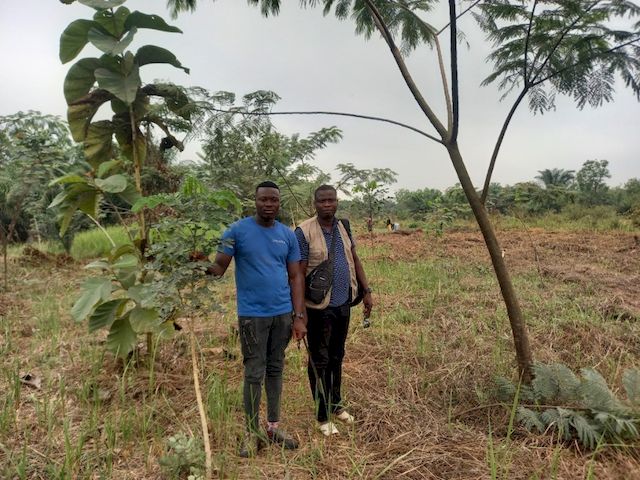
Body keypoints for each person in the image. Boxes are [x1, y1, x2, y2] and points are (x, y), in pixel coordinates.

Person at [204, 181, 307, 457]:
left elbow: (296, 276)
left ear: (279, 202)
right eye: (264, 199)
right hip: (252, 316)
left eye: (274, 200)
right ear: (255, 200)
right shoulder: (236, 231)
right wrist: (195, 260)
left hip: (283, 314)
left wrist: (299, 317)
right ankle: (252, 432)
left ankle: (273, 428)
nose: (269, 204)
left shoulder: (287, 235)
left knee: (276, 369)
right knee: (253, 373)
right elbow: (219, 267)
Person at [295, 185, 373, 436]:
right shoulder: (304, 231)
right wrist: (298, 313)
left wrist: (366, 290)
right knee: (319, 360)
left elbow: (355, 259)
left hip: (343, 303)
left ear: (337, 202)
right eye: (322, 201)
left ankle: (336, 404)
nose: (327, 205)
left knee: (337, 355)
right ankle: (321, 415)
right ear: (315, 203)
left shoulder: (344, 226)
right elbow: (297, 272)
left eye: (331, 200)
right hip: (317, 307)